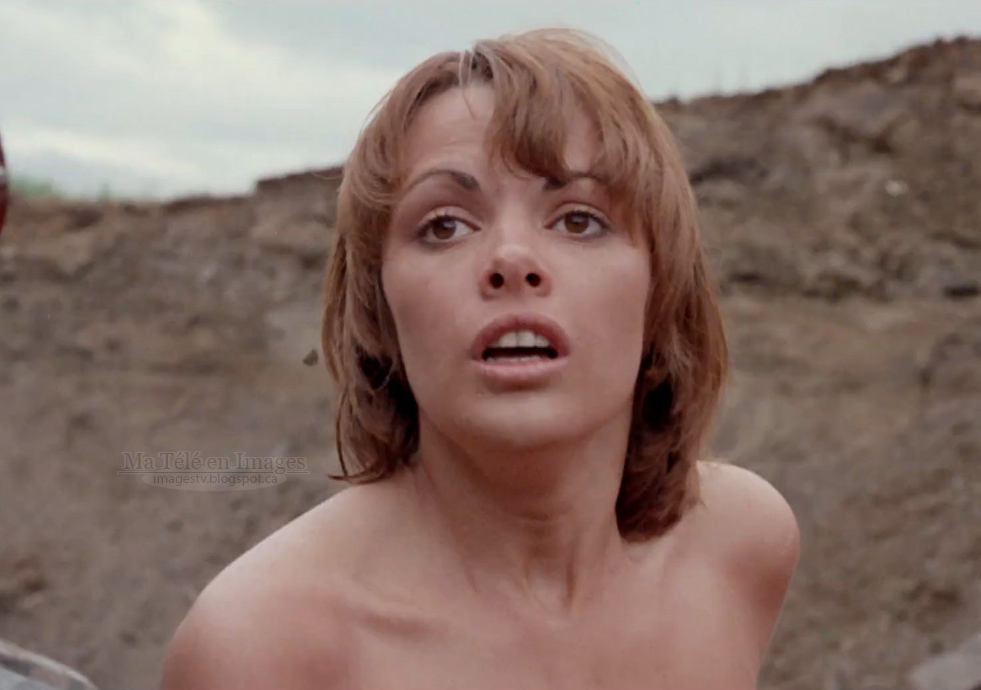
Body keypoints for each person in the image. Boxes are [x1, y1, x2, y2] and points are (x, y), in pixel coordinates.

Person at [160, 27, 800, 690]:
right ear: (380, 308)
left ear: (661, 288)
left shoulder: (738, 547)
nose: (511, 259)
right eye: (444, 225)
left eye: (579, 219)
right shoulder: (264, 647)